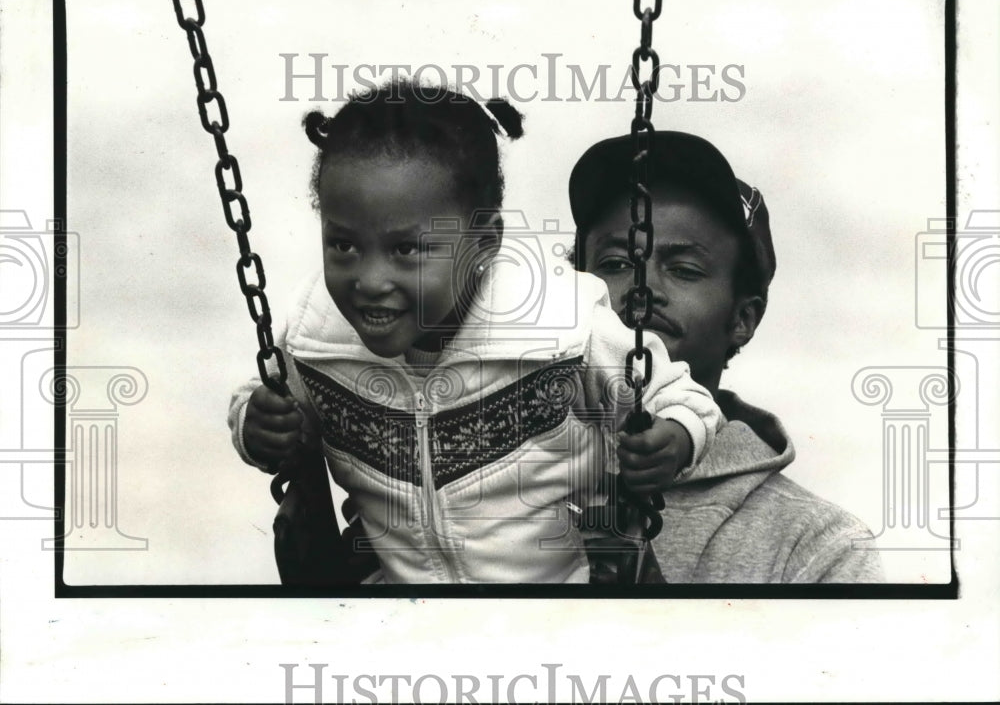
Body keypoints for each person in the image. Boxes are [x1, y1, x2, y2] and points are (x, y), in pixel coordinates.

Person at [227, 80, 722, 584]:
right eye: (344, 246)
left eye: (406, 251)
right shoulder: (317, 338)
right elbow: (263, 402)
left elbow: (677, 394)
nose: (370, 281)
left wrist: (676, 436)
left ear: (484, 241)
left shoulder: (559, 326)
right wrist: (256, 426)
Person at [570, 131, 885, 582]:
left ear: (743, 318)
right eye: (616, 264)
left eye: (684, 270)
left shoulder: (818, 547)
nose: (644, 290)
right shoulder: (504, 475)